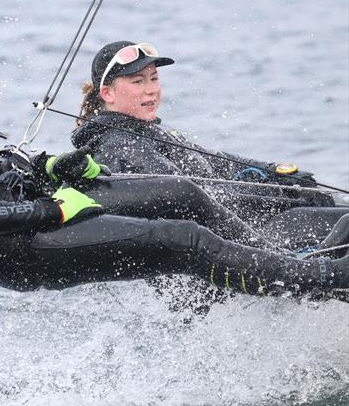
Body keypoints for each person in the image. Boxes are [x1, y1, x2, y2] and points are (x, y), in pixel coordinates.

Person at [0, 13, 349, 296]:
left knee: (184, 194)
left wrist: (52, 168)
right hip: (13, 246)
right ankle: (325, 282)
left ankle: (286, 264)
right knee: (181, 238)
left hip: (34, 199)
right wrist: (55, 208)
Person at [71, 41, 349, 251]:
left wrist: (277, 173)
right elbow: (198, 199)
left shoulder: (146, 130)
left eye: (154, 78)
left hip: (253, 222)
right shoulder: (122, 145)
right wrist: (288, 196)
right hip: (248, 242)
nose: (151, 89)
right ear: (107, 93)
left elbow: (221, 163)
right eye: (137, 81)